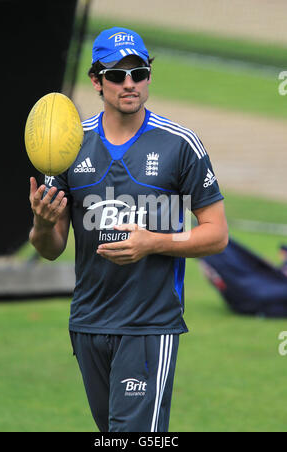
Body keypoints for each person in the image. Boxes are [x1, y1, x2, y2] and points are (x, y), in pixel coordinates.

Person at [29, 27, 228, 432]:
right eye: (116, 75)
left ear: (149, 75)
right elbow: (51, 247)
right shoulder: (69, 145)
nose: (129, 83)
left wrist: (152, 243)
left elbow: (216, 233)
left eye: (138, 72)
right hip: (88, 322)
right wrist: (42, 223)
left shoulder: (180, 145)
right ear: (96, 81)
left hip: (149, 326)